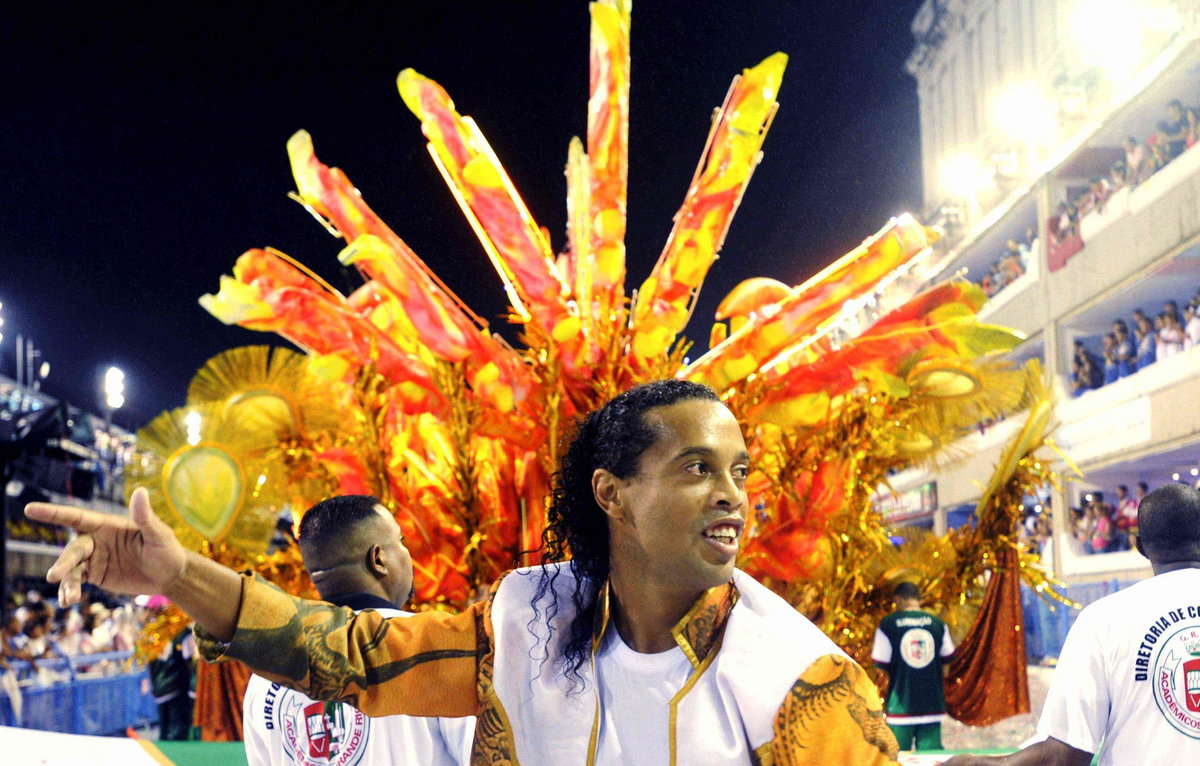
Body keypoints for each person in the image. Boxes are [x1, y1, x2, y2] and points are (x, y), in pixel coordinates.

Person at [26, 380, 900, 765]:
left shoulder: (802, 682)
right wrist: (176, 572)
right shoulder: (528, 619)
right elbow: (356, 657)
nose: (732, 496)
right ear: (612, 493)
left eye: (740, 470)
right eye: (697, 468)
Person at [943, 482, 1200, 765]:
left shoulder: (1105, 620)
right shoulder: (1103, 621)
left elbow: (1064, 755)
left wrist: (990, 764)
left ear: (1139, 546)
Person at [243, 494, 474, 766]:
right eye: (400, 541)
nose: (407, 554)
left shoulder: (266, 676)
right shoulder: (434, 644)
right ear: (378, 559)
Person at [871, 582, 955, 751]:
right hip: (931, 703)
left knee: (897, 757)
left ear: (898, 599)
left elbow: (880, 666)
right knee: (932, 758)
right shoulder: (937, 624)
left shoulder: (888, 625)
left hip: (900, 706)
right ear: (918, 599)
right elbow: (947, 663)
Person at [149, 626, 196, 740]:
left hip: (160, 687)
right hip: (176, 685)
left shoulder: (152, 633)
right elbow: (188, 659)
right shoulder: (182, 634)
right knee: (177, 729)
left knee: (164, 728)